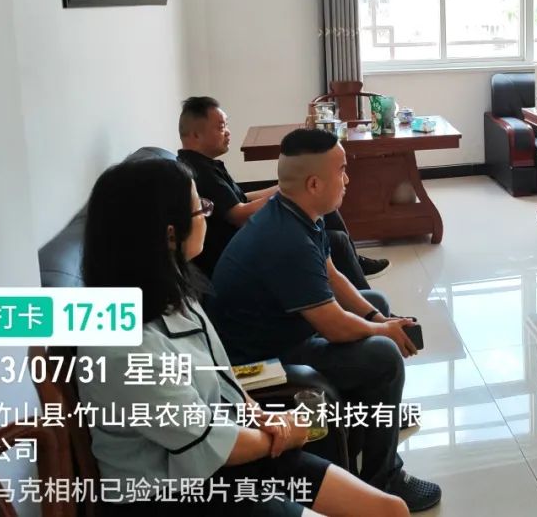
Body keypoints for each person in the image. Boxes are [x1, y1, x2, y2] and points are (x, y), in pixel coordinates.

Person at [77, 157, 407, 517]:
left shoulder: (172, 294)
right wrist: (284, 432)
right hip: (174, 494)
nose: (207, 215)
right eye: (201, 208)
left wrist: (260, 415)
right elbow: (211, 444)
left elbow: (221, 378)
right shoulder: (126, 349)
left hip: (227, 453)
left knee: (390, 510)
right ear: (170, 235)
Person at [210, 129, 441, 513]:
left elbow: (332, 275)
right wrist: (383, 331)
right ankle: (384, 476)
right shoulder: (285, 240)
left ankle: (371, 424)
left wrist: (376, 317)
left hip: (283, 331)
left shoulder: (296, 212)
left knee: (375, 302)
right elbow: (333, 325)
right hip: (262, 361)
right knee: (383, 355)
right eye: (342, 170)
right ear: (314, 184)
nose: (348, 179)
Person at [176, 96, 389, 285]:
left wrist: (283, 186)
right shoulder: (199, 172)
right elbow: (238, 215)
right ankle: (364, 300)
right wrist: (290, 191)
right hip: (242, 246)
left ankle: (354, 264)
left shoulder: (203, 164)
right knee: (336, 240)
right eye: (221, 127)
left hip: (249, 233)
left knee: (323, 202)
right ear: (196, 135)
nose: (228, 132)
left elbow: (241, 198)